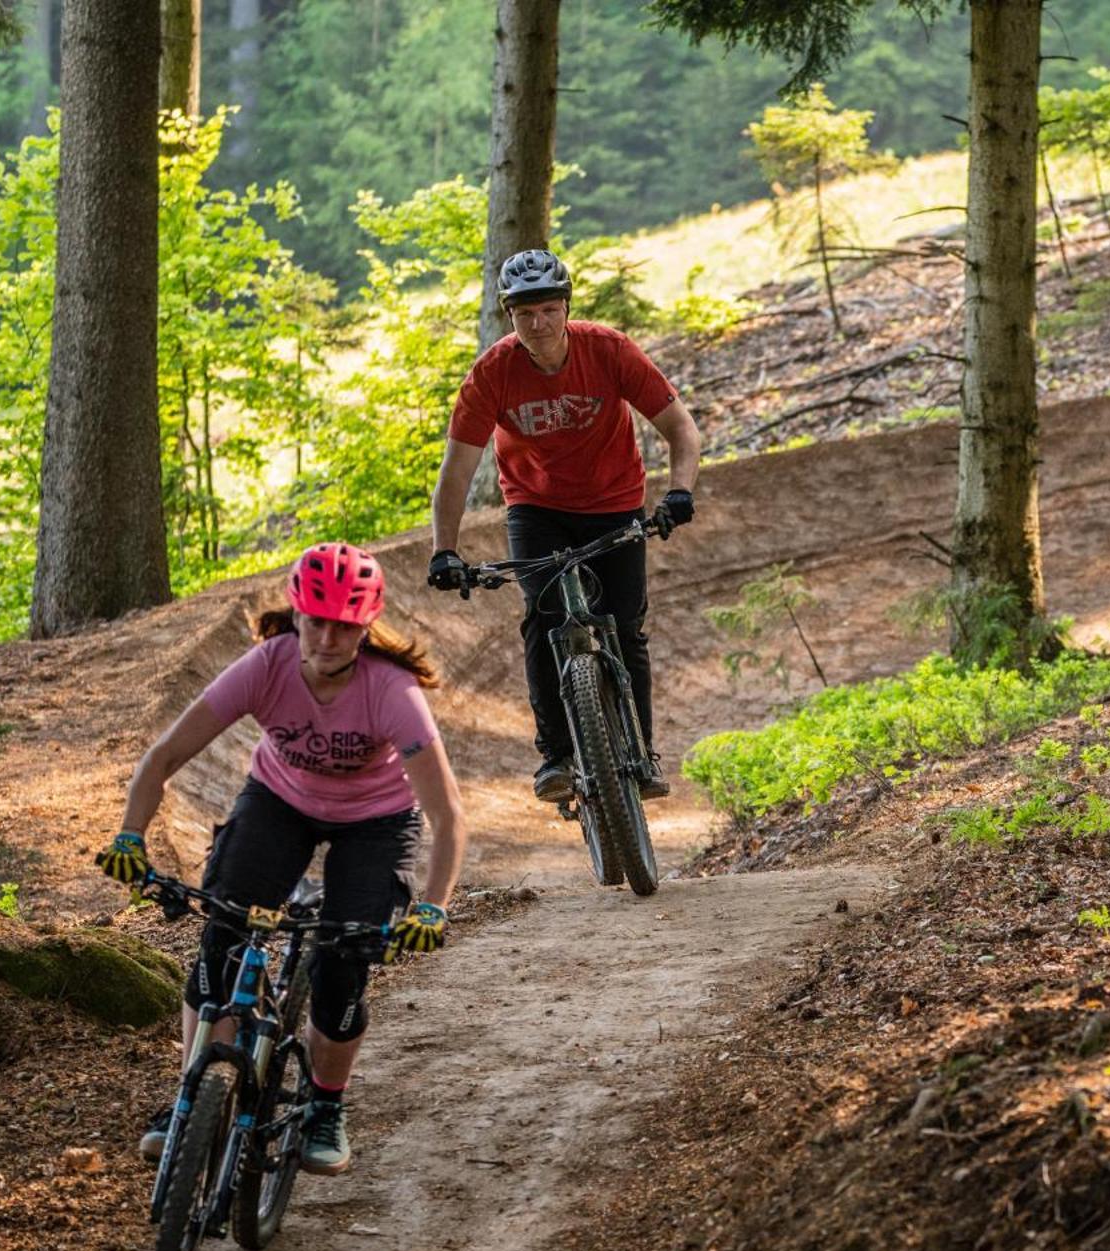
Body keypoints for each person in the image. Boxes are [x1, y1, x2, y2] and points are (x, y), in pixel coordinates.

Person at [96, 542, 466, 1176]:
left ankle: (325, 1103)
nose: (327, 637)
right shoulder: (264, 667)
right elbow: (162, 758)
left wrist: (433, 905)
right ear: (296, 614)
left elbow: (448, 815)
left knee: (342, 968)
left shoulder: (393, 691)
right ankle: (190, 1097)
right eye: (316, 620)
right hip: (280, 803)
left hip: (375, 823)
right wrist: (130, 834)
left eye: (344, 625)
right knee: (223, 936)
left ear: (365, 625)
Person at [426, 248, 702, 803]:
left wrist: (679, 492)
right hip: (536, 508)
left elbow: (682, 429)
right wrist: (444, 550)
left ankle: (642, 753)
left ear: (567, 307)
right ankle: (555, 756)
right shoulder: (492, 375)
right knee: (544, 617)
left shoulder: (609, 350)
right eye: (524, 314)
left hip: (615, 500)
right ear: (509, 316)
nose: (538, 324)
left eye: (549, 310)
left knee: (625, 628)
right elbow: (456, 472)